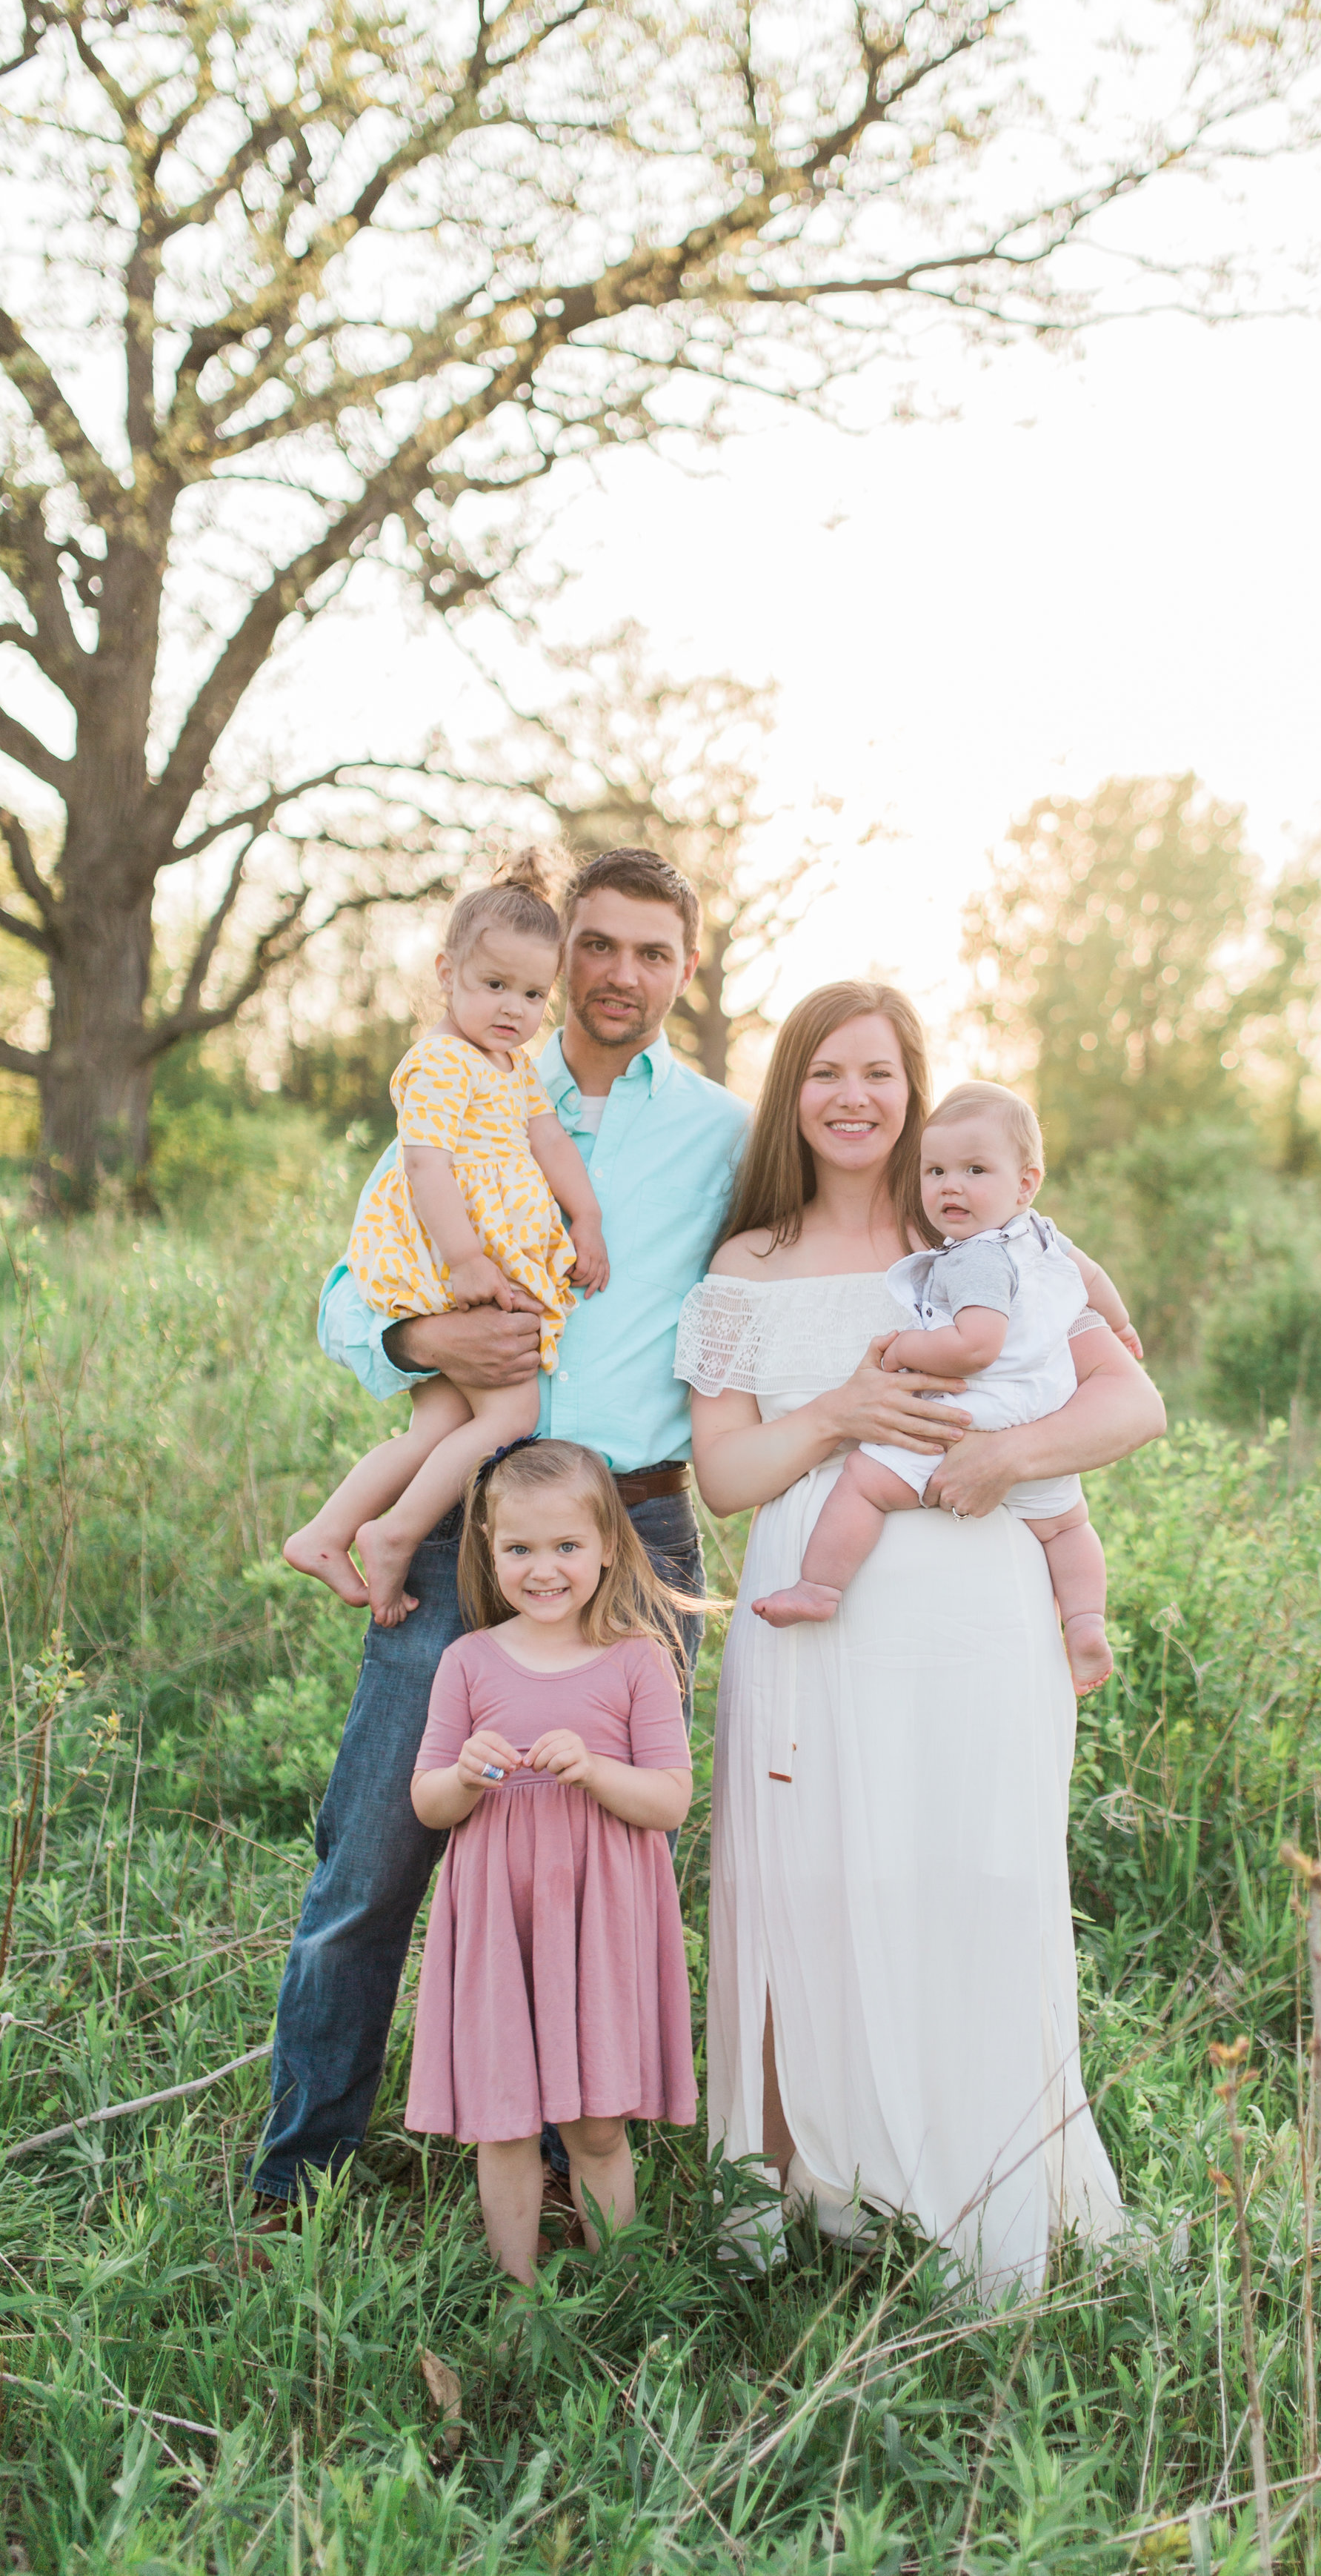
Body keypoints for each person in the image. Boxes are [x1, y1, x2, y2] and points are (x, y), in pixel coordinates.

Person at [248, 848, 748, 2223]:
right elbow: (352, 1290)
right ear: (549, 951)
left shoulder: (718, 1133)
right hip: (468, 1526)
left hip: (636, 1533)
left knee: (603, 1864)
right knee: (373, 1861)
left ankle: (587, 2172)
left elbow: (826, 1249)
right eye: (598, 945)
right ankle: (305, 2173)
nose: (620, 975)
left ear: (684, 970)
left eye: (654, 952)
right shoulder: (460, 1080)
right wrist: (416, 1333)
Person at [677, 983, 1167, 2297]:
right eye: (826, 1072)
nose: (854, 1098)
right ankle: (803, 2202)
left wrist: (1006, 1454)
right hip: (812, 1613)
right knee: (810, 1888)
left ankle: (990, 2190)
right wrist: (842, 1409)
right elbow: (724, 1480)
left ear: (915, 1089)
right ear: (792, 1092)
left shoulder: (990, 1228)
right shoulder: (748, 1266)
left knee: (978, 1879)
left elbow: (1134, 1399)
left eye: (880, 1074)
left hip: (977, 1617)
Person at [285, 852, 610, 1626]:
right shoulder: (438, 1063)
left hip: (469, 1260)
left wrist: (586, 1216)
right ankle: (393, 1534)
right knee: (510, 1417)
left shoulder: (511, 1063)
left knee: (437, 1424)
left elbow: (551, 1142)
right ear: (446, 971)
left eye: (534, 994)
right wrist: (467, 1259)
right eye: (494, 985)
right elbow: (425, 1164)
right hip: (445, 1264)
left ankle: (327, 1531)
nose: (513, 1009)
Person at [407, 1438, 699, 2282]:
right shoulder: (468, 1662)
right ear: (489, 1550)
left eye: (567, 1547)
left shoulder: (638, 1658)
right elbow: (428, 1801)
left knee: (599, 2124)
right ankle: (520, 2295)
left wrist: (598, 1770)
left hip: (599, 1924)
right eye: (520, 1549)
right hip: (504, 1919)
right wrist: (463, 1777)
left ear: (608, 1548)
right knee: (503, 2119)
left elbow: (669, 1801)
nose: (544, 1569)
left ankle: (619, 2287)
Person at [751, 1080, 1137, 1698]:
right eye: (935, 1171)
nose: (950, 1186)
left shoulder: (973, 1257)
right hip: (1043, 1416)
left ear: (1025, 1183)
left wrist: (904, 1348)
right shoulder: (1045, 1240)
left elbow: (974, 1345)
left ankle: (819, 1588)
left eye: (974, 1170)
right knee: (1067, 1527)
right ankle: (1087, 1621)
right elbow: (1093, 1278)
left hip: (967, 1420)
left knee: (864, 1485)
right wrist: (1120, 1326)